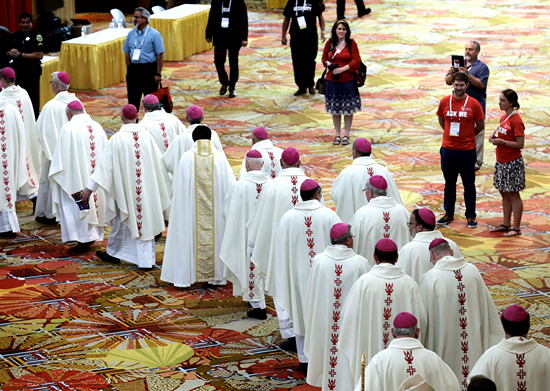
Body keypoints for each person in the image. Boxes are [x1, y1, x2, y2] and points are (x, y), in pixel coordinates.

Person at [81, 104, 171, 270]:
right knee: (130, 221)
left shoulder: (117, 139)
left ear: (121, 117)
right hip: (146, 189)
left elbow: (104, 167)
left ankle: (145, 261)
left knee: (124, 216)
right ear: (137, 117)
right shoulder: (147, 137)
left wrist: (90, 188)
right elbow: (160, 162)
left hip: (125, 190)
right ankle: (115, 253)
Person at [265, 179, 341, 373]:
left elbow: (278, 251)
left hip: (297, 278)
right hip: (326, 276)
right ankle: (327, 360)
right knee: (325, 312)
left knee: (300, 312)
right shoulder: (329, 215)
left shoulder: (288, 218)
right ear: (317, 195)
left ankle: (304, 360)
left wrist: (285, 275)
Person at [246, 146, 315, 351]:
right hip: (308, 245)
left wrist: (254, 244)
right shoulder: (311, 183)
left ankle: (290, 333)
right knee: (307, 286)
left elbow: (261, 218)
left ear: (282, 164)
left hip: (280, 246)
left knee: (282, 284)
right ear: (300, 163)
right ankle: (309, 329)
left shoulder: (272, 185)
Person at [338, 239, 427, 385]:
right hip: (403, 355)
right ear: (397, 257)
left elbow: (348, 317)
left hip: (368, 347)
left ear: (374, 256)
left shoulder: (363, 283)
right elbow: (422, 319)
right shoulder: (409, 284)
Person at [420, 239, 503, 389]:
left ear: (432, 255)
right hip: (473, 342)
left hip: (444, 344)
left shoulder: (430, 278)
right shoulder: (472, 271)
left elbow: (424, 318)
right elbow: (486, 309)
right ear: (452, 252)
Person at [161, 125, 235, 287]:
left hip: (191, 212)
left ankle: (185, 277)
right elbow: (230, 187)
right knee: (217, 235)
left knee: (188, 235)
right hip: (215, 213)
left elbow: (179, 189)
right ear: (210, 139)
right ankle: (217, 277)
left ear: (193, 139)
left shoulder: (186, 158)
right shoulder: (220, 158)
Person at [303, 223, 370, 390]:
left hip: (324, 320)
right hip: (351, 323)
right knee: (348, 354)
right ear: (348, 240)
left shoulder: (318, 261)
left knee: (328, 350)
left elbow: (311, 295)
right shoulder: (360, 263)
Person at [49, 101, 109, 253]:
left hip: (76, 175)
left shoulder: (67, 128)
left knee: (74, 201)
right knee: (93, 201)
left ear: (68, 114)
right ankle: (91, 234)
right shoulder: (97, 126)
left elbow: (60, 158)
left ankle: (83, 237)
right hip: (95, 177)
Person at [220, 150, 270, 318]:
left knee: (249, 265)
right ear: (262, 164)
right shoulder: (272, 184)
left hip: (246, 233)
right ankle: (261, 298)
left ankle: (258, 306)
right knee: (263, 263)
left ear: (246, 164)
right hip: (266, 233)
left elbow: (227, 210)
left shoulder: (239, 185)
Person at [356, 312, 460, 391]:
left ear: (393, 332)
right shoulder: (433, 359)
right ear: (417, 332)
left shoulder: (379, 361)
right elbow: (453, 387)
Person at [436, 72, 485, 228]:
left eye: (461, 85)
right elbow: (441, 120)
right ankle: (448, 213)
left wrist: (468, 135)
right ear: (453, 85)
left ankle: (470, 216)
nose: (458, 88)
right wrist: (450, 134)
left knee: (468, 185)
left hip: (467, 150)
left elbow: (481, 125)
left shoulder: (474, 103)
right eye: (456, 85)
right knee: (449, 184)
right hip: (448, 150)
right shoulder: (445, 101)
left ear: (466, 86)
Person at [469, 305, 550, 391]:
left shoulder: (490, 356)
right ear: (529, 325)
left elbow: (473, 385)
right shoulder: (547, 354)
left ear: (503, 327)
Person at [35, 72, 80, 225]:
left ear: (55, 85)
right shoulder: (77, 103)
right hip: (73, 153)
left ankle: (49, 213)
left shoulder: (50, 106)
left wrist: (51, 152)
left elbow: (41, 131)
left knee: (50, 182)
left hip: (53, 153)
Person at [331, 138, 402, 223]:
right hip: (384, 220)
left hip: (360, 222)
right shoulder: (383, 170)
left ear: (355, 152)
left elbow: (336, 195)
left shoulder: (347, 173)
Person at [446, 41, 490, 171]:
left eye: (471, 49)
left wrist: (467, 74)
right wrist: (453, 73)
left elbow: (481, 85)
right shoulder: (458, 65)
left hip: (475, 107)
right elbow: (448, 81)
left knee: (477, 135)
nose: (467, 52)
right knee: (457, 132)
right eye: (466, 49)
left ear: (477, 52)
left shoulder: (482, 67)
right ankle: (458, 158)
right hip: (457, 107)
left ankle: (476, 163)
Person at [349, 175, 409, 266]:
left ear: (370, 192)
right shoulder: (403, 212)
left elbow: (352, 242)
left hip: (371, 272)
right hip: (399, 271)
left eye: (365, 191)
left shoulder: (362, 214)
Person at [488, 89, 525, 237]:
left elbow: (520, 144)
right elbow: (506, 138)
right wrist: (497, 139)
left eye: (503, 100)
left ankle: (516, 228)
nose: (499, 102)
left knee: (513, 194)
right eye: (499, 99)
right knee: (504, 193)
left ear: (511, 103)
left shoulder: (516, 120)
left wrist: (501, 141)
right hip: (501, 160)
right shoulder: (504, 117)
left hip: (512, 162)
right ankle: (506, 223)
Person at [0, 67, 39, 202]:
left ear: (2, 80)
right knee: (29, 163)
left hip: (11, 138)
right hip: (27, 135)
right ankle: (34, 196)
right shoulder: (24, 93)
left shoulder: (2, 98)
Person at [322, 20, 362, 146]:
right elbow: (324, 58)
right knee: (335, 109)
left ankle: (346, 135)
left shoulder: (351, 44)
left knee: (348, 109)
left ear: (347, 31)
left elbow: (356, 61)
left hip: (347, 81)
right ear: (335, 30)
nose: (341, 31)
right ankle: (338, 135)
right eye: (339, 29)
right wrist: (328, 64)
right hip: (332, 81)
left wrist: (342, 69)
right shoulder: (329, 43)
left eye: (343, 29)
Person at [396, 208, 462, 284]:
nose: (409, 227)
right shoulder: (451, 244)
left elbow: (400, 281)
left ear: (419, 227)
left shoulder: (408, 250)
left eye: (410, 223)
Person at [0, 96, 34, 238]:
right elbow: (21, 136)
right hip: (9, 157)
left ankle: (5, 226)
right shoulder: (12, 110)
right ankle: (8, 226)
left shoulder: (12, 109)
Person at [122, 7, 165, 111]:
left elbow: (160, 54)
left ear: (145, 19)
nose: (134, 19)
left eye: (137, 17)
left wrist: (158, 73)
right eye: (134, 17)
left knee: (150, 101)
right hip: (134, 70)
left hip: (149, 70)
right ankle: (133, 122)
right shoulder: (131, 34)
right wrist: (129, 68)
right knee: (133, 100)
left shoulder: (154, 34)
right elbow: (127, 52)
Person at [163, 105, 224, 175]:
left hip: (188, 177)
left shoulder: (181, 138)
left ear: (187, 119)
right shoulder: (213, 135)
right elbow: (221, 157)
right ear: (202, 118)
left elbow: (168, 161)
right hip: (211, 176)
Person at [282, 0, 325, 97]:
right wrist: (283, 36)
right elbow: (286, 18)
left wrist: (323, 32)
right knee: (298, 62)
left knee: (310, 60)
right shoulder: (292, 2)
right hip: (296, 36)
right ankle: (301, 86)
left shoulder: (312, 1)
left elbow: (320, 16)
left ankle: (310, 84)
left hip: (311, 36)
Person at [205, 0, 248, 98]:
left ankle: (232, 87)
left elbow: (243, 19)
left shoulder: (239, 1)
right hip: (219, 35)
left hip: (234, 35)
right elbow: (211, 17)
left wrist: (244, 38)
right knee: (218, 61)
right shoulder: (216, 1)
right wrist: (209, 34)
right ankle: (224, 82)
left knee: (233, 62)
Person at [6, 12, 44, 119]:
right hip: (18, 73)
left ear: (31, 23)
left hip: (32, 73)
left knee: (32, 100)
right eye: (23, 22)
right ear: (19, 23)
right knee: (18, 99)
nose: (25, 25)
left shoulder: (37, 36)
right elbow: (7, 52)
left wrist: (21, 55)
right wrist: (9, 53)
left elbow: (39, 54)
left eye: (27, 22)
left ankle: (34, 120)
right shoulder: (14, 36)